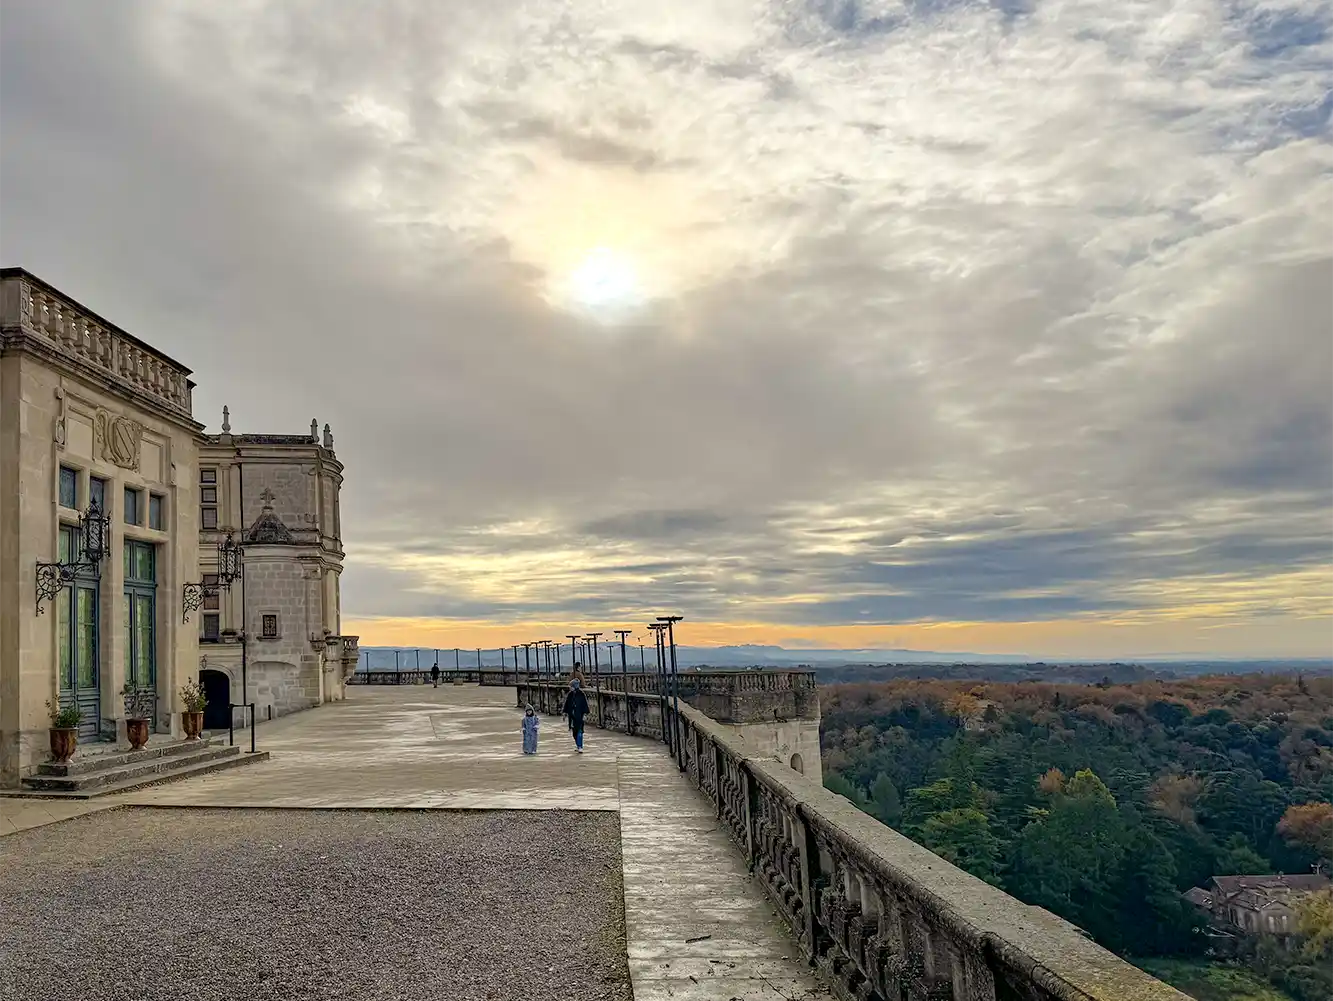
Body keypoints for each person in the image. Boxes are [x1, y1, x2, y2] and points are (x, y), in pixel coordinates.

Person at [562, 677, 589, 753]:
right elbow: (567, 704)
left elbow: (585, 705)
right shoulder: (570, 694)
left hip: (579, 716)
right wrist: (564, 713)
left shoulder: (581, 694)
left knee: (580, 731)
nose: (570, 688)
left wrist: (585, 714)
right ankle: (578, 745)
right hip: (572, 717)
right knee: (574, 733)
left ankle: (580, 746)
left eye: (571, 686)